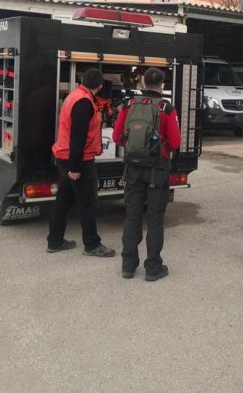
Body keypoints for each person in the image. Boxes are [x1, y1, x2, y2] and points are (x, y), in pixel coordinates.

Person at [113, 68, 181, 280]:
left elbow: (117, 137)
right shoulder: (166, 108)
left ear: (142, 83)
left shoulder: (128, 105)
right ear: (162, 85)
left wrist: (134, 148)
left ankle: (128, 265)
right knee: (154, 218)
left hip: (132, 169)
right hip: (157, 171)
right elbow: (176, 142)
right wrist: (159, 148)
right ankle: (153, 267)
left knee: (132, 215)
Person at [48, 68, 115, 257]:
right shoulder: (84, 102)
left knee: (63, 199)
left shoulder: (75, 95)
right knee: (88, 202)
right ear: (100, 86)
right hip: (78, 160)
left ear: (82, 81)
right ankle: (92, 245)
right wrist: (75, 167)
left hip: (64, 155)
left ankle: (55, 241)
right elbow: (78, 137)